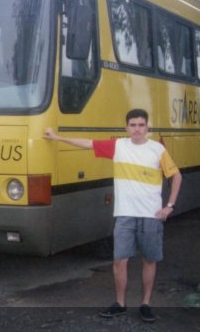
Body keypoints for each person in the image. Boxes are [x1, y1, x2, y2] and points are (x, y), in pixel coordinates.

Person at [44, 108, 181, 323]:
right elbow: (87, 143)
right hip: (125, 215)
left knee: (149, 260)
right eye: (133, 125)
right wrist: (57, 137)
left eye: (141, 125)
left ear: (147, 127)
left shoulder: (158, 150)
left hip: (151, 215)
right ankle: (120, 304)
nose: (137, 129)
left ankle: (146, 304)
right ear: (126, 127)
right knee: (119, 261)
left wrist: (170, 205)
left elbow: (177, 176)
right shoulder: (118, 146)